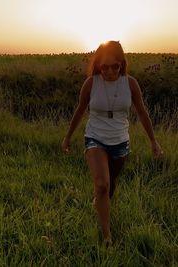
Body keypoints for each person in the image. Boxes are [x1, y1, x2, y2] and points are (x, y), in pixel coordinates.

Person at [61, 40, 163, 247]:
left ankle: (100, 201)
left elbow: (142, 113)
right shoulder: (91, 83)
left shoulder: (130, 83)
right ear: (98, 65)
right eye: (104, 66)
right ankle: (107, 236)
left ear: (122, 64)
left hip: (120, 141)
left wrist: (154, 141)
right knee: (102, 184)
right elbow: (80, 110)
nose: (109, 71)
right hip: (95, 137)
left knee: (110, 185)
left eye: (114, 66)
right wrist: (68, 137)